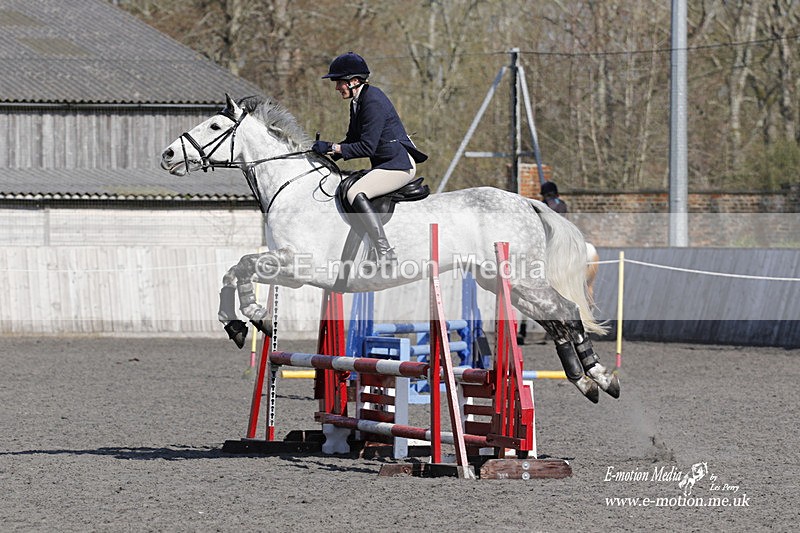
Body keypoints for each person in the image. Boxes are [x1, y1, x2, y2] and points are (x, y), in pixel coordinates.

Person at [312, 52, 427, 264]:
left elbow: (366, 146)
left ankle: (384, 251)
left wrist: (332, 147)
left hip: (397, 166)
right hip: (385, 164)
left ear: (354, 81)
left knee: (356, 191)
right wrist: (328, 155)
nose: (337, 87)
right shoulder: (358, 101)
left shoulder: (372, 101)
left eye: (339, 82)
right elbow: (352, 139)